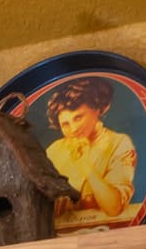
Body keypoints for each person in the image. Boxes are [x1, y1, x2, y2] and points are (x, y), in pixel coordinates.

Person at [40, 83, 140, 230]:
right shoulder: (54, 150)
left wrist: (85, 165)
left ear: (97, 110)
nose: (73, 129)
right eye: (65, 124)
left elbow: (113, 208)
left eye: (78, 117)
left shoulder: (119, 143)